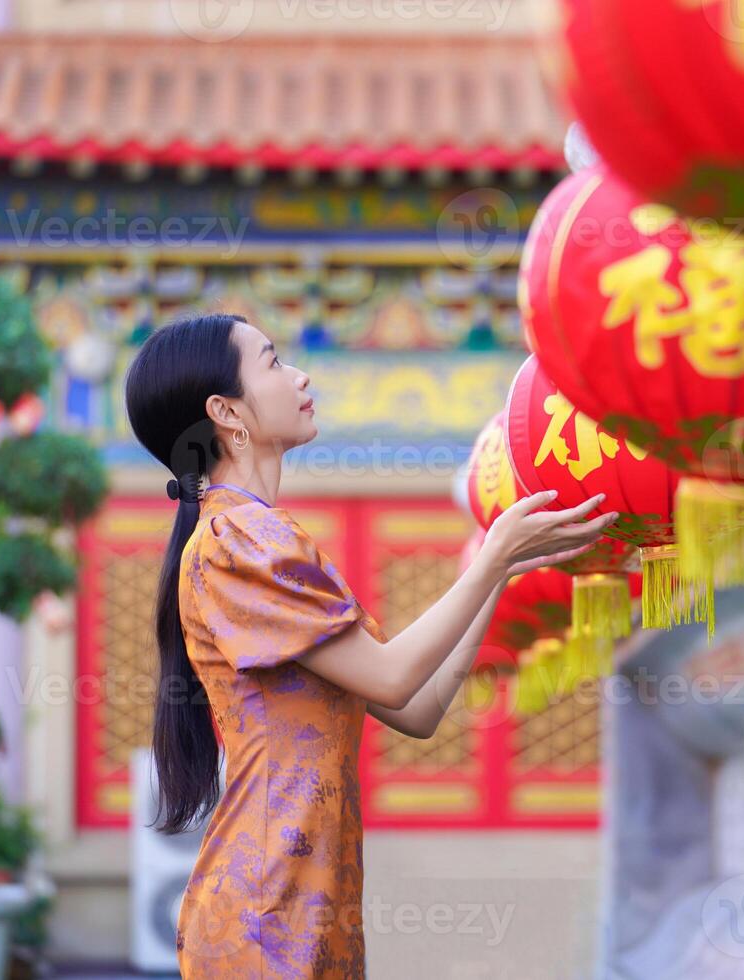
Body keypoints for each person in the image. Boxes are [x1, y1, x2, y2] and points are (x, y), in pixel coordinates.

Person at [123, 313, 617, 978]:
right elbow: (390, 677)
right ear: (226, 412)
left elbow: (416, 709)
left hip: (310, 898)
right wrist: (492, 558)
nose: (300, 375)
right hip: (265, 912)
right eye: (272, 362)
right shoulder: (239, 541)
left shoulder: (266, 539)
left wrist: (506, 569)